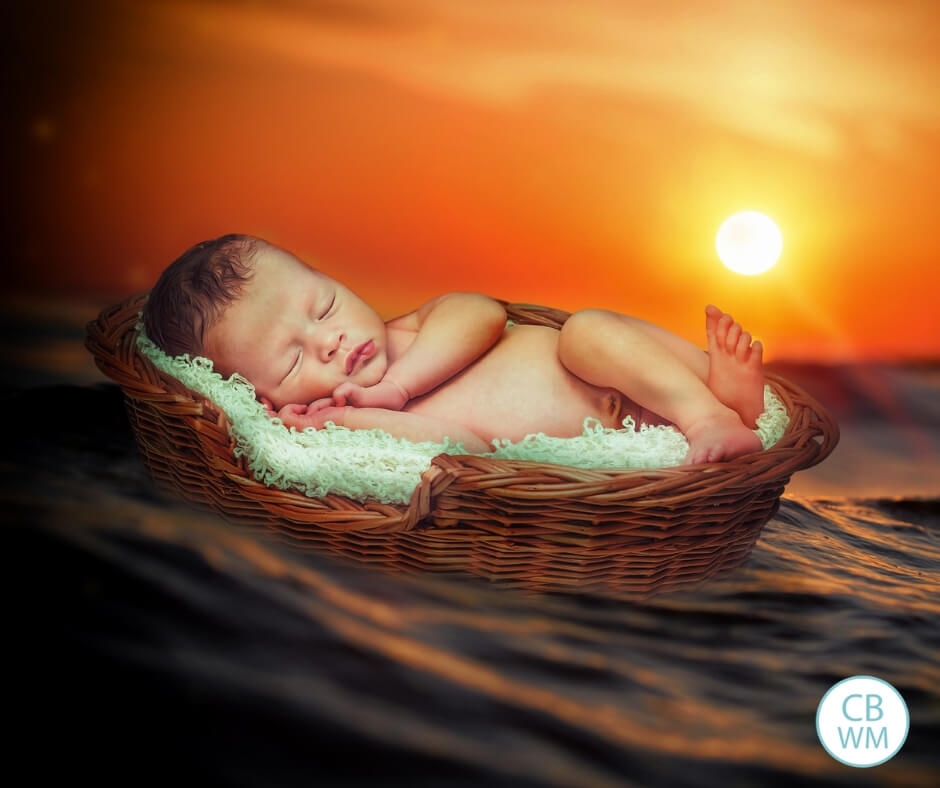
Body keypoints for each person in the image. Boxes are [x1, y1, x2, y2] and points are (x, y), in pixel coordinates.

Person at [144, 234, 766, 463]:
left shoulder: (413, 330)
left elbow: (484, 314)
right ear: (260, 396)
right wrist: (360, 416)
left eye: (325, 304)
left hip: (634, 377)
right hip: (626, 438)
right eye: (293, 360)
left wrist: (400, 385)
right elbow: (466, 450)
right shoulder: (349, 424)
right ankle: (714, 423)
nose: (329, 339)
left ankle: (708, 406)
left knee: (587, 332)